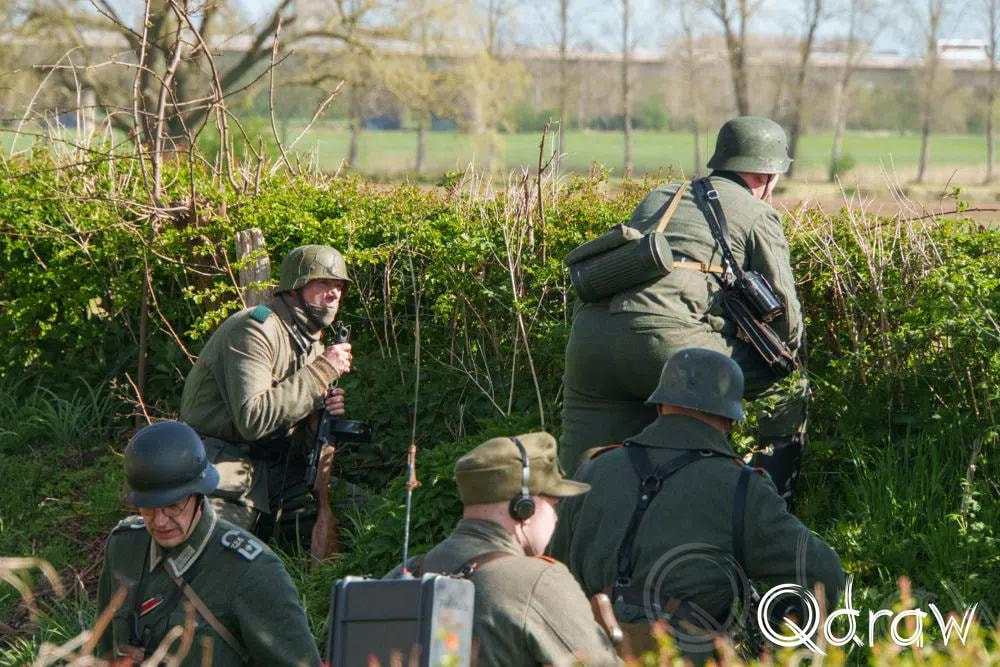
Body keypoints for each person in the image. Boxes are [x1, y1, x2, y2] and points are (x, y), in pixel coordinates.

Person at [560, 116, 808, 509]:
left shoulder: (662, 195)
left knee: (582, 479)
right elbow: (787, 319)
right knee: (788, 388)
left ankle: (566, 539)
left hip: (592, 342)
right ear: (768, 174)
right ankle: (768, 515)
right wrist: (783, 357)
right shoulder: (757, 213)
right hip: (670, 348)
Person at [550, 349, 844, 664]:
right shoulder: (741, 487)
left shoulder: (593, 469)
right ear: (730, 420)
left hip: (587, 650)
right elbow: (823, 571)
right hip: (681, 656)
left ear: (660, 406)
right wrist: (777, 643)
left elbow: (553, 573)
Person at [94, 420, 321, 666]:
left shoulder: (251, 571)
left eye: (173, 506)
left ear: (199, 495)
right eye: (148, 507)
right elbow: (103, 654)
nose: (159, 521)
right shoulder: (124, 548)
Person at [180, 244, 354, 559]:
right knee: (214, 555)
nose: (334, 294)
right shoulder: (254, 329)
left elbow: (293, 437)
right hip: (222, 469)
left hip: (276, 472)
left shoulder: (311, 345)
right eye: (323, 283)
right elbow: (253, 419)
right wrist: (321, 372)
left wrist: (317, 421)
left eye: (339, 286)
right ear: (295, 288)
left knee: (366, 514)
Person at [393, 432, 622, 667]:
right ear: (524, 507)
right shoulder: (537, 581)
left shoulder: (407, 571)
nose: (556, 518)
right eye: (554, 505)